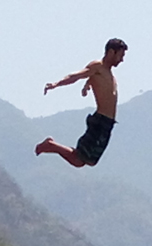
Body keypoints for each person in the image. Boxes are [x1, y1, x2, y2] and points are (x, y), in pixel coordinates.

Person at [35, 38, 127, 168]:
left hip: (107, 124)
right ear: (111, 52)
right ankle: (51, 145)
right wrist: (56, 84)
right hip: (100, 122)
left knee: (91, 161)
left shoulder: (108, 74)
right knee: (79, 159)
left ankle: (51, 145)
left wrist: (88, 84)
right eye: (120, 55)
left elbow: (96, 80)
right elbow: (76, 76)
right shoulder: (97, 66)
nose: (122, 60)